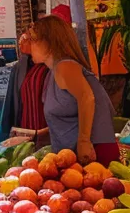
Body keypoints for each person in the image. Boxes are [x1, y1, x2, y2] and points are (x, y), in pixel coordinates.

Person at [21, 15, 119, 162]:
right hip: (72, 156)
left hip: (93, 152)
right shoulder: (52, 72)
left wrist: (84, 142)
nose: (29, 46)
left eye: (33, 40)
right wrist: (35, 136)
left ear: (49, 42)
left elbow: (86, 97)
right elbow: (67, 120)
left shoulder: (65, 66)